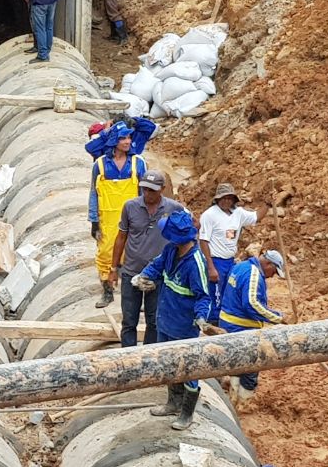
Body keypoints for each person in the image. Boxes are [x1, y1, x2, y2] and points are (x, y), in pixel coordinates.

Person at [133, 209, 213, 430]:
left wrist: (201, 318)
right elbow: (156, 265)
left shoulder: (195, 263)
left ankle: (187, 414)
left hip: (184, 326)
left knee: (188, 370)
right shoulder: (170, 251)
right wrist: (145, 277)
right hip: (165, 319)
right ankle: (172, 402)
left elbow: (203, 296)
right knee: (168, 364)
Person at [110, 170, 185, 345]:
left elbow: (186, 234)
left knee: (154, 320)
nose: (148, 194)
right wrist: (113, 268)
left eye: (152, 190)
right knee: (129, 320)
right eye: (145, 189)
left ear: (162, 189)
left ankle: (148, 356)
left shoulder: (173, 209)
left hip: (158, 275)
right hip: (131, 271)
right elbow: (121, 237)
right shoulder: (130, 206)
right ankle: (128, 356)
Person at [87, 118, 156, 307]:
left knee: (136, 255)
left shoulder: (137, 163)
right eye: (122, 138)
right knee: (105, 254)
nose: (127, 141)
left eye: (128, 137)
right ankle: (107, 291)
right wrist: (94, 220)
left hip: (134, 217)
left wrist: (148, 217)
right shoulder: (100, 165)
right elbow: (94, 193)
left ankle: (135, 296)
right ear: (113, 141)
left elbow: (146, 193)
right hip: (107, 219)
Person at [218, 251, 286, 406]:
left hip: (229, 322)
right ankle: (244, 403)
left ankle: (234, 400)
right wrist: (278, 318)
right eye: (274, 272)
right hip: (240, 327)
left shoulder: (241, 266)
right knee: (251, 367)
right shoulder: (253, 274)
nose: (271, 276)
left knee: (237, 364)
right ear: (268, 264)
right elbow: (251, 303)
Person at [198, 183, 268, 323]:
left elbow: (256, 216)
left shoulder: (238, 213)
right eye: (223, 198)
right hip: (215, 260)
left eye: (229, 198)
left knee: (227, 292)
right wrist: (211, 267)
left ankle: (224, 319)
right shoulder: (209, 215)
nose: (226, 201)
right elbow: (203, 241)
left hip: (230, 261)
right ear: (217, 199)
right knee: (215, 293)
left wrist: (268, 204)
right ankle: (213, 321)